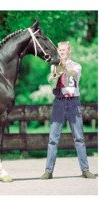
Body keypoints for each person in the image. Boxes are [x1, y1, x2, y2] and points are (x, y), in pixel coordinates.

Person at [41, 41, 96, 179]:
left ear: (69, 51)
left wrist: (63, 68)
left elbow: (72, 73)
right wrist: (54, 74)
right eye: (60, 50)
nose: (62, 52)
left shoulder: (77, 66)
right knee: (53, 138)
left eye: (64, 50)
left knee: (79, 137)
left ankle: (85, 170)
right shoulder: (54, 67)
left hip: (73, 102)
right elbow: (51, 81)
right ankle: (48, 171)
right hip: (59, 102)